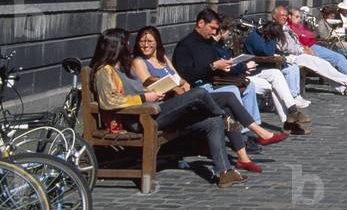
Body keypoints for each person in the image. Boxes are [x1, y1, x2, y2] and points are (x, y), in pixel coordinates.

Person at [91, 28, 247, 189]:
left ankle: (225, 172)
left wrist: (153, 93)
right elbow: (109, 101)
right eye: (126, 42)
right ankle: (224, 116)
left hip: (156, 110)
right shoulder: (105, 71)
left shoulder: (125, 66)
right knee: (199, 93)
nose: (130, 45)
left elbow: (136, 91)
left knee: (212, 122)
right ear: (116, 46)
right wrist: (145, 97)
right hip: (141, 119)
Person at [131, 26, 287, 173]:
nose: (146, 45)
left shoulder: (162, 58)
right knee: (212, 103)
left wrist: (183, 84)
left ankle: (244, 157)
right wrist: (177, 86)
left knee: (229, 97)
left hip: (181, 98)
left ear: (157, 42)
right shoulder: (139, 61)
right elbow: (150, 84)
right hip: (167, 106)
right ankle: (258, 134)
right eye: (142, 41)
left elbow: (179, 79)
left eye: (150, 41)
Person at [171, 8, 262, 129]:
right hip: (198, 88)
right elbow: (186, 74)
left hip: (215, 82)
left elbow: (217, 62)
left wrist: (225, 66)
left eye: (216, 29)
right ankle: (242, 134)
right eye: (212, 28)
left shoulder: (209, 42)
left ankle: (251, 129)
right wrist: (213, 67)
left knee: (249, 86)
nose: (214, 32)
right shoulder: (185, 45)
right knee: (232, 91)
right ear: (201, 23)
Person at [244, 21, 314, 133]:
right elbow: (268, 51)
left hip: (259, 69)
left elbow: (269, 52)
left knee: (276, 75)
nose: (274, 40)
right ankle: (290, 121)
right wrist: (272, 40)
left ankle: (291, 115)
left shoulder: (264, 36)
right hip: (250, 71)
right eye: (274, 37)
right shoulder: (254, 37)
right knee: (275, 81)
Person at [282, 6, 347, 88]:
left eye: (300, 17)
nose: (299, 19)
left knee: (339, 57)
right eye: (297, 17)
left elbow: (310, 35)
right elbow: (300, 41)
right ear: (289, 16)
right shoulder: (290, 28)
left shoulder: (298, 25)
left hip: (314, 45)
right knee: (337, 58)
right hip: (309, 48)